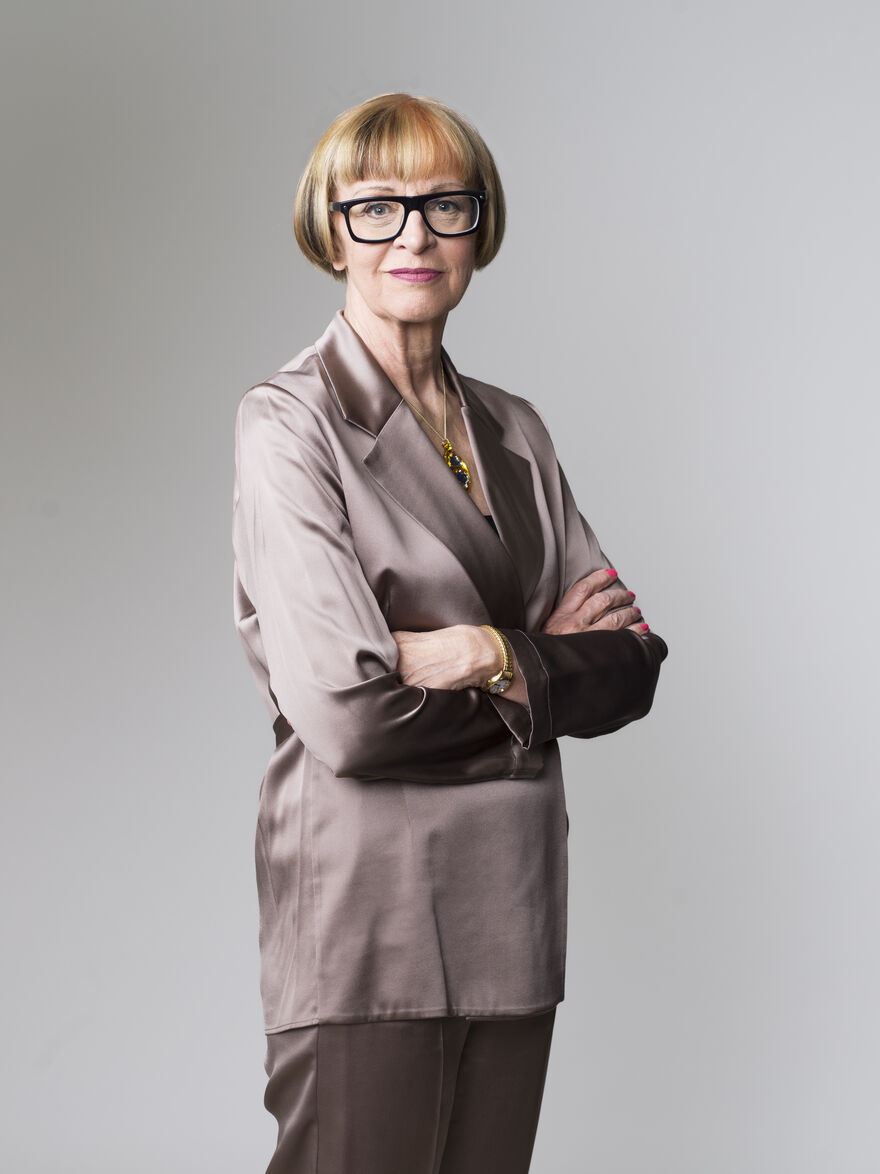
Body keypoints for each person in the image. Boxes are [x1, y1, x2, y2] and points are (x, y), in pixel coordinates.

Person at [232, 92, 668, 1174]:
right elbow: (348, 715)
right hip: (368, 913)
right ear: (332, 231)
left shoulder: (514, 429)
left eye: (443, 203)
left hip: (509, 908)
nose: (414, 235)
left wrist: (485, 651)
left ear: (481, 225)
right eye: (376, 207)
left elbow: (630, 663)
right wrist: (537, 672)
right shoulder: (290, 424)